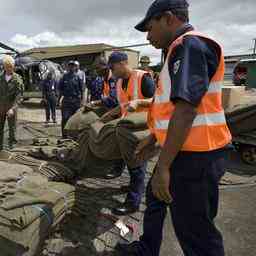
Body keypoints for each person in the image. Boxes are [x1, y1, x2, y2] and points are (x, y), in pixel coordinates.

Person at [117, 0, 232, 256]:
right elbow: (170, 107)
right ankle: (147, 249)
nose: (147, 36)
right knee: (156, 197)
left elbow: (187, 110)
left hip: (196, 157)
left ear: (168, 18)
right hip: (183, 149)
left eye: (150, 27)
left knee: (195, 232)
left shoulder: (189, 45)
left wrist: (164, 166)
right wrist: (154, 138)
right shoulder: (176, 51)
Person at [105, 51, 155, 216]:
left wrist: (139, 101)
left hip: (142, 129)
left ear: (122, 63)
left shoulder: (143, 78)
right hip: (127, 128)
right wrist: (109, 115)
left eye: (112, 68)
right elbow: (123, 104)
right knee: (129, 159)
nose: (111, 72)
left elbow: (160, 101)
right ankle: (135, 185)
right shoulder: (119, 82)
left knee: (138, 164)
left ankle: (133, 202)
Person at [0, 55, 23, 150]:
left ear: (13, 66)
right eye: (6, 66)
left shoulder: (17, 78)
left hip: (11, 107)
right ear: (4, 66)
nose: (9, 68)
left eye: (10, 66)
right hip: (0, 106)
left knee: (12, 127)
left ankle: (11, 146)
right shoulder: (0, 77)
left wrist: (12, 108)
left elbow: (19, 95)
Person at [58, 60, 84, 138]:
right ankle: (64, 135)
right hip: (66, 101)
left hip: (76, 102)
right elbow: (60, 89)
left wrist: (82, 101)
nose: (72, 67)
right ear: (68, 67)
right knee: (65, 118)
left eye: (73, 66)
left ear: (75, 67)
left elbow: (82, 90)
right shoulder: (64, 77)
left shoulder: (78, 77)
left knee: (76, 119)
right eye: (70, 65)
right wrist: (58, 100)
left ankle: (74, 136)